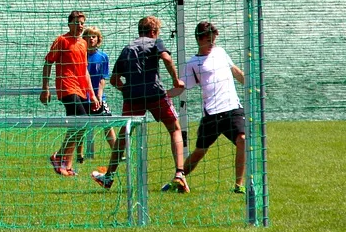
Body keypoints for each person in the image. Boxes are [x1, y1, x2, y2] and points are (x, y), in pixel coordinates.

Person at [91, 16, 187, 192]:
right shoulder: (155, 43)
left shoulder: (127, 48)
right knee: (174, 129)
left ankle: (109, 177)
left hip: (133, 96)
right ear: (153, 31)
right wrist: (176, 80)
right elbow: (166, 59)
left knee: (124, 135)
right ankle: (179, 174)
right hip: (155, 93)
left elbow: (114, 80)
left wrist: (127, 90)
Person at [168, 20, 247, 194]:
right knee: (199, 151)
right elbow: (182, 87)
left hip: (233, 109)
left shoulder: (220, 52)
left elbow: (235, 71)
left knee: (242, 140)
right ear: (199, 39)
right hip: (211, 114)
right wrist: (164, 95)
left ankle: (238, 185)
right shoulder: (193, 63)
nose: (212, 43)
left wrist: (249, 83)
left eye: (214, 39)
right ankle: (177, 179)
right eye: (209, 39)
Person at [40, 11, 100, 176]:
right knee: (80, 122)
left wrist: (92, 95)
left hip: (80, 89)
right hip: (66, 87)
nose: (80, 26)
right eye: (77, 22)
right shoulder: (61, 40)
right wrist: (45, 88)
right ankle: (60, 157)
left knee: (79, 126)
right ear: (69, 24)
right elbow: (48, 62)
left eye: (82, 23)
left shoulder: (83, 43)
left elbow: (85, 71)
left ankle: (63, 161)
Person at [75, 26, 118, 164]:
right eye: (88, 36)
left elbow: (102, 78)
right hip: (82, 96)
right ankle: (79, 155)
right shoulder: (80, 55)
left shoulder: (103, 57)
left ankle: (117, 153)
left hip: (98, 97)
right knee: (80, 126)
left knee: (107, 123)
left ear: (98, 39)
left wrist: (99, 95)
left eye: (94, 36)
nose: (91, 39)